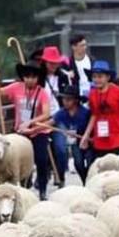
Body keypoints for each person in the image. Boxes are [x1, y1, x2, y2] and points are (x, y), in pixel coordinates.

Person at [3, 61, 53, 199]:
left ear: (38, 78)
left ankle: (42, 190)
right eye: (27, 76)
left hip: (38, 131)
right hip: (20, 132)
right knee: (19, 161)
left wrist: (31, 123)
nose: (30, 80)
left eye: (33, 77)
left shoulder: (42, 93)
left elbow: (46, 113)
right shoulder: (16, 88)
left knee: (41, 160)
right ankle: (23, 188)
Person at [36, 83, 91, 184]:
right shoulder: (62, 113)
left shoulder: (85, 113)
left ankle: (89, 180)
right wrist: (34, 128)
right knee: (78, 163)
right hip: (75, 142)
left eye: (68, 99)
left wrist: (88, 138)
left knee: (90, 162)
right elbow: (50, 123)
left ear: (76, 100)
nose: (65, 102)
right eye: (64, 99)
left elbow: (92, 125)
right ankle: (84, 182)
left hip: (87, 140)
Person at [81, 60, 119, 163]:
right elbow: (94, 115)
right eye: (94, 77)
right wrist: (86, 135)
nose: (97, 80)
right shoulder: (92, 94)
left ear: (107, 77)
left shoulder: (118, 91)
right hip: (100, 138)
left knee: (117, 169)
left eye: (100, 77)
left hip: (117, 138)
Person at [41, 45, 72, 187]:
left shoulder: (64, 77)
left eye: (55, 62)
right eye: (50, 62)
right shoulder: (38, 77)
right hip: (41, 117)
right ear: (44, 62)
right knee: (41, 150)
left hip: (58, 116)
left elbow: (70, 99)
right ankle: (43, 176)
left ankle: (60, 176)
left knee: (61, 148)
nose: (53, 65)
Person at [67, 34, 94, 100]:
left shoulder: (92, 61)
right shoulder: (68, 63)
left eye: (85, 45)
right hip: (76, 96)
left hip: (91, 93)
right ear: (74, 47)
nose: (85, 48)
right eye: (82, 45)